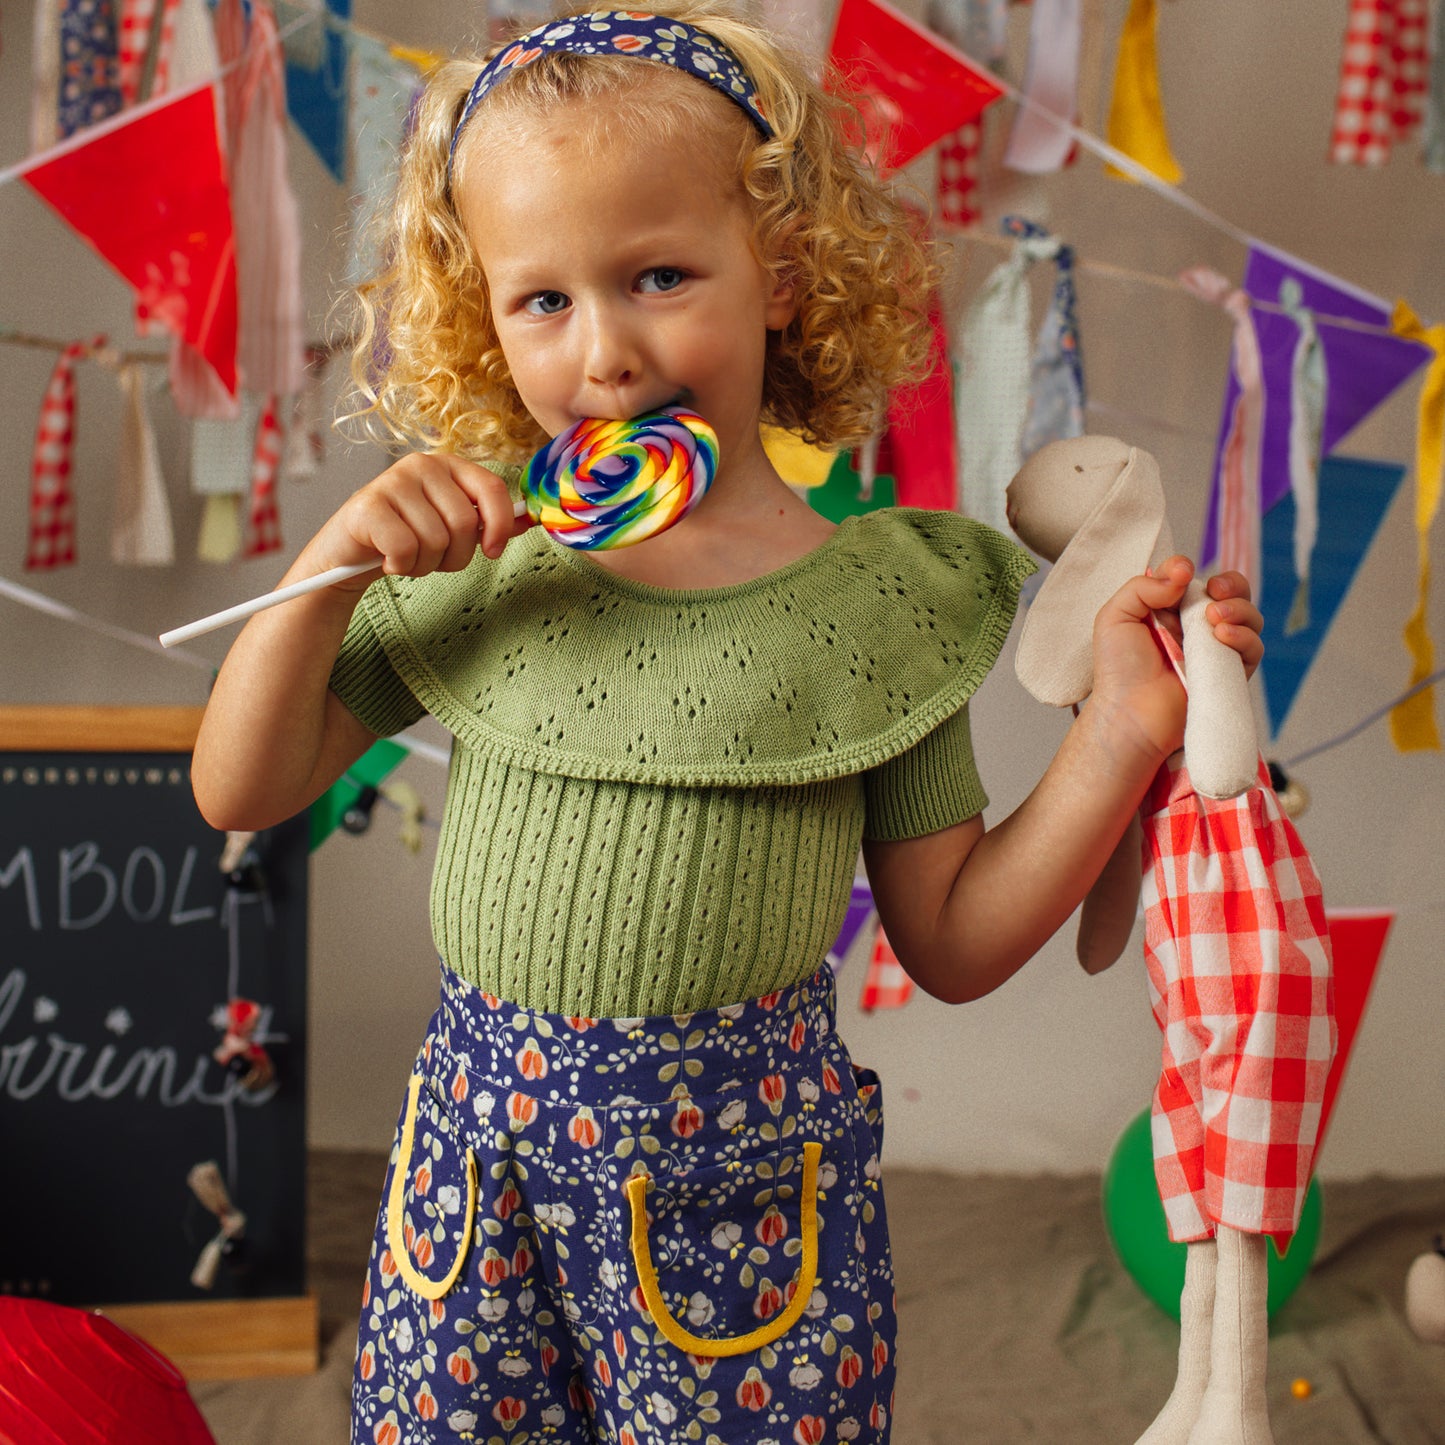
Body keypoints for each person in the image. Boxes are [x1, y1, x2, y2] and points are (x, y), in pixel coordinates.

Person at [190, 6, 1265, 1442]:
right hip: (476, 1158)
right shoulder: (486, 567)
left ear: (782, 274)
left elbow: (950, 939)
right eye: (542, 301)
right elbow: (241, 788)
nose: (607, 353)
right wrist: (323, 578)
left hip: (735, 1181)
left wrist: (1122, 725)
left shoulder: (877, 603)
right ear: (479, 315)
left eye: (656, 275)